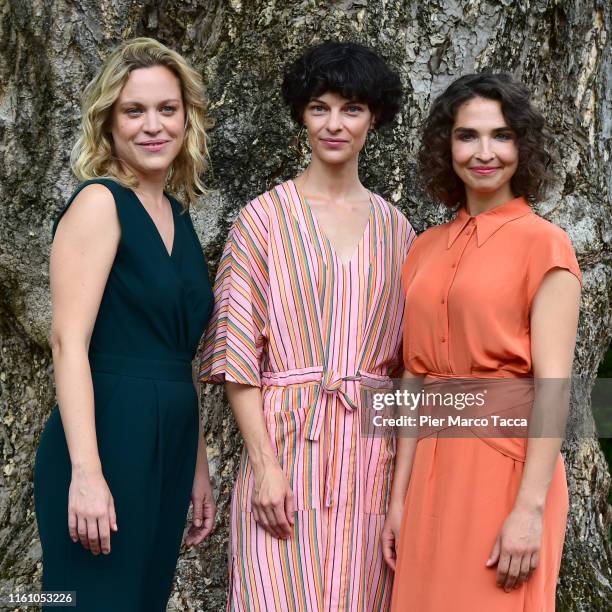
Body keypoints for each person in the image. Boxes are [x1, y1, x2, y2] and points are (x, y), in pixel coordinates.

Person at [197, 41, 414, 611]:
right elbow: (239, 359)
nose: (335, 124)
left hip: (370, 462)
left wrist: (398, 495)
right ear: (301, 115)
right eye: (320, 107)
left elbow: (410, 370)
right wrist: (266, 468)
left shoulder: (400, 232)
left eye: (352, 109)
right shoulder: (260, 219)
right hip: (285, 455)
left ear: (374, 117)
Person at [385, 73, 581, 611]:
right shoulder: (423, 248)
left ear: (523, 145)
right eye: (467, 136)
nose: (484, 153)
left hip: (506, 470)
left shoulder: (546, 244)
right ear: (446, 147)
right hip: (430, 472)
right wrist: (398, 500)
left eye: (501, 136)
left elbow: (554, 388)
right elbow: (414, 378)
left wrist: (529, 510)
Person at [34, 38, 216, 611]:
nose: (153, 126)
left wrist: (199, 464)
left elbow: (180, 351)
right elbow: (68, 342)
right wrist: (85, 473)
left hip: (171, 440)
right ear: (108, 123)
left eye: (167, 109)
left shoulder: (180, 217)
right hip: (109, 434)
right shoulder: (99, 203)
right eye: (134, 111)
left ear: (187, 119)